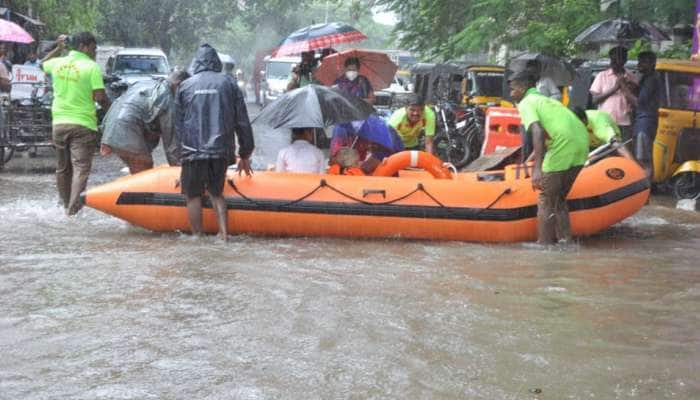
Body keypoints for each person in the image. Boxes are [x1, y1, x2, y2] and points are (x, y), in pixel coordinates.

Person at [176, 44, 254, 240]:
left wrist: (179, 156)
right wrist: (245, 152)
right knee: (216, 193)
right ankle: (224, 235)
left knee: (193, 196)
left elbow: (177, 126)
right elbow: (242, 121)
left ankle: (197, 237)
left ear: (197, 63)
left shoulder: (185, 86)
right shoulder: (229, 84)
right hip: (220, 151)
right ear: (216, 63)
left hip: (192, 151)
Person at [509, 70, 589, 245]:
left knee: (545, 198)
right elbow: (549, 133)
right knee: (558, 199)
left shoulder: (527, 102)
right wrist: (532, 158)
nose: (511, 93)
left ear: (522, 88)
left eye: (513, 89)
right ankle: (565, 240)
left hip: (563, 146)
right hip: (581, 144)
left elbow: (537, 131)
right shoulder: (547, 101)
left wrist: (537, 168)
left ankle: (544, 245)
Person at [41, 32, 110, 215]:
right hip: (83, 125)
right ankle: (73, 210)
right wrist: (112, 109)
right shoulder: (91, 66)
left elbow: (42, 64)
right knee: (81, 168)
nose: (95, 53)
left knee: (63, 168)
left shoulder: (58, 63)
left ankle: (65, 207)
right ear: (83, 47)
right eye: (93, 49)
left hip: (59, 124)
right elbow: (100, 97)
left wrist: (58, 48)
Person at [100, 70, 190, 174]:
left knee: (138, 166)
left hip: (110, 127)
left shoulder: (147, 83)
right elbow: (170, 142)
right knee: (144, 166)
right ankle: (136, 190)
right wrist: (179, 171)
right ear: (178, 85)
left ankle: (133, 187)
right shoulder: (167, 98)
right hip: (125, 130)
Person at [589, 46, 638, 144]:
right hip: (606, 122)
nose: (614, 63)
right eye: (613, 60)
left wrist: (627, 85)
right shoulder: (602, 76)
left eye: (618, 60)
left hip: (624, 122)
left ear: (624, 60)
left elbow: (636, 100)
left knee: (624, 151)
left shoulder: (631, 77)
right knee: (605, 152)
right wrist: (614, 88)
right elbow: (595, 100)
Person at [331, 116, 403, 174]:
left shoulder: (382, 135)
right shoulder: (342, 129)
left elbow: (366, 167)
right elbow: (334, 157)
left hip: (391, 154)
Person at [631, 51, 661, 177]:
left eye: (644, 62)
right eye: (639, 61)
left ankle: (645, 190)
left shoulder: (652, 79)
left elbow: (639, 102)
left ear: (652, 63)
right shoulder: (646, 78)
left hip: (645, 123)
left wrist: (622, 86)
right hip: (644, 122)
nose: (639, 65)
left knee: (644, 161)